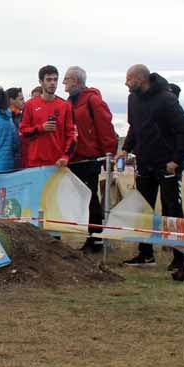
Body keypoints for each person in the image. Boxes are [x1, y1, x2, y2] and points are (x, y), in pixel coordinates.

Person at [119, 65, 184, 268]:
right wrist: (126, 148)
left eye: (129, 79)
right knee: (143, 208)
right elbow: (135, 126)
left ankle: (180, 257)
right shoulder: (132, 99)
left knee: (172, 209)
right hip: (144, 162)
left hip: (166, 164)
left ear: (141, 79)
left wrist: (176, 160)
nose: (126, 83)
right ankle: (145, 254)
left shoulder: (166, 98)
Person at [63, 66, 118, 253]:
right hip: (74, 158)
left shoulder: (93, 100)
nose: (64, 83)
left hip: (90, 158)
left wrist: (108, 155)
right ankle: (91, 236)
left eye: (66, 79)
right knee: (82, 198)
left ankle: (96, 238)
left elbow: (105, 128)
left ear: (76, 81)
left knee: (91, 198)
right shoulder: (69, 102)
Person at [19, 65, 76, 169]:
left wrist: (66, 156)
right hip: (35, 163)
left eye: (55, 80)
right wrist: (41, 128)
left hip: (58, 163)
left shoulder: (65, 105)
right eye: (49, 80)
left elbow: (71, 135)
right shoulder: (30, 105)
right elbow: (23, 132)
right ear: (41, 82)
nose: (52, 83)